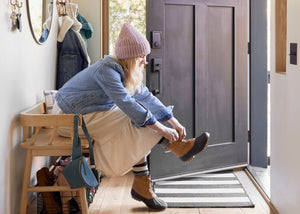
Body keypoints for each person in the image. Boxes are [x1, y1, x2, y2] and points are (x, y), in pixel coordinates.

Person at [53, 23, 210, 211]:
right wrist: (163, 130)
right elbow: (126, 103)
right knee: (134, 117)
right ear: (130, 57)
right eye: (141, 57)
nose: (145, 61)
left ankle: (145, 181)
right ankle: (174, 150)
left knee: (139, 116)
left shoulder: (125, 71)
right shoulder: (107, 70)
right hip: (67, 118)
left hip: (89, 113)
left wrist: (173, 121)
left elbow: (146, 96)